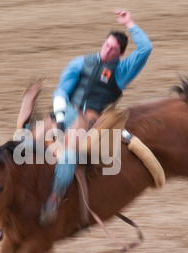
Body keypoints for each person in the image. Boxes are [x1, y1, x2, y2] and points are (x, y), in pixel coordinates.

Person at [40, 10, 153, 224]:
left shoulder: (122, 72)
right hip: (64, 111)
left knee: (70, 151)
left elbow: (146, 48)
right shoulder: (80, 63)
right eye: (107, 44)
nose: (107, 49)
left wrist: (129, 23)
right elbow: (61, 91)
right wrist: (62, 117)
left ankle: (54, 198)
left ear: (119, 55)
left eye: (113, 49)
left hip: (91, 120)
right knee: (26, 136)